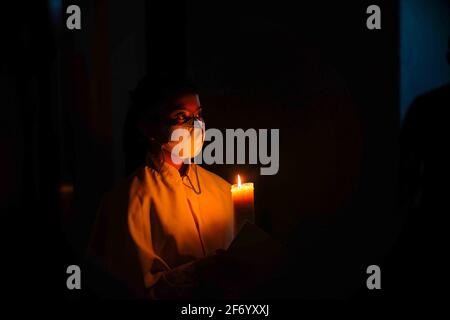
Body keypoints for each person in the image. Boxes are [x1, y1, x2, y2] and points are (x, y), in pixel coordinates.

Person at [87, 75, 235, 299]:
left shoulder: (222, 190)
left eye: (198, 115)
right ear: (148, 127)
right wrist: (200, 271)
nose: (195, 125)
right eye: (181, 116)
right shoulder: (129, 200)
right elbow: (128, 289)